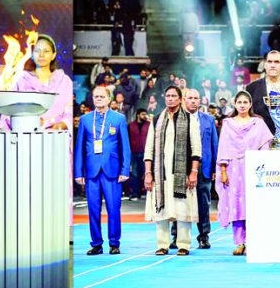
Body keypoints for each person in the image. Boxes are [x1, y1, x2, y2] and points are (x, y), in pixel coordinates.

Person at [144, 86, 202, 256]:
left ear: (179, 99)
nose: (170, 99)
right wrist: (148, 173)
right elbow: (149, 149)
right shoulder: (156, 120)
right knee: (161, 209)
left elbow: (196, 148)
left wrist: (193, 172)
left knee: (182, 209)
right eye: (167, 95)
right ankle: (162, 244)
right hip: (160, 173)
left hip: (182, 173)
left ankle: (183, 244)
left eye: (173, 96)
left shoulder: (189, 119)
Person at [74, 86, 131, 255]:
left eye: (101, 96)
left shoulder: (118, 119)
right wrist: (78, 172)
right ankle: (96, 244)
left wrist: (125, 169)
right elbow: (79, 148)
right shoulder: (85, 120)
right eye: (95, 96)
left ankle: (114, 243)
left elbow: (125, 147)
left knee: (114, 208)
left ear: (108, 99)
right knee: (93, 209)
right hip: (91, 171)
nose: (98, 99)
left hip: (112, 171)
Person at [215, 91, 273, 255]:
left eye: (245, 102)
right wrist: (223, 171)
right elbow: (223, 148)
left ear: (250, 104)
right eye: (239, 102)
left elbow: (265, 146)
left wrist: (262, 166)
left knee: (253, 204)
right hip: (233, 169)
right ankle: (239, 242)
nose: (242, 105)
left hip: (254, 169)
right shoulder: (228, 124)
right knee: (237, 205)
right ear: (235, 104)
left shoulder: (258, 123)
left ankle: (254, 241)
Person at [170, 89, 218, 249]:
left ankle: (203, 236)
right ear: (184, 100)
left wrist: (215, 167)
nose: (193, 101)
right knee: (179, 203)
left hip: (204, 169)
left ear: (200, 101)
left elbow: (214, 145)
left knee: (203, 204)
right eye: (190, 98)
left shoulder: (208, 120)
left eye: (196, 98)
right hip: (180, 169)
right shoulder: (176, 119)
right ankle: (177, 237)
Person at [0, 34, 73, 131]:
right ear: (32, 55)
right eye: (37, 51)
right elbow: (8, 110)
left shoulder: (64, 81)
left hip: (56, 138)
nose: (41, 55)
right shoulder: (21, 79)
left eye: (46, 51)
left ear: (53, 55)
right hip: (24, 137)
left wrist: (61, 125)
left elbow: (70, 110)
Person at [128, 108, 150, 200]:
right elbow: (127, 139)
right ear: (138, 115)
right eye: (142, 114)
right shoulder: (130, 125)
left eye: (145, 114)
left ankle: (145, 192)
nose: (144, 116)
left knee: (146, 173)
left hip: (146, 153)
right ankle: (135, 193)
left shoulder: (149, 125)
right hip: (134, 152)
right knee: (135, 174)